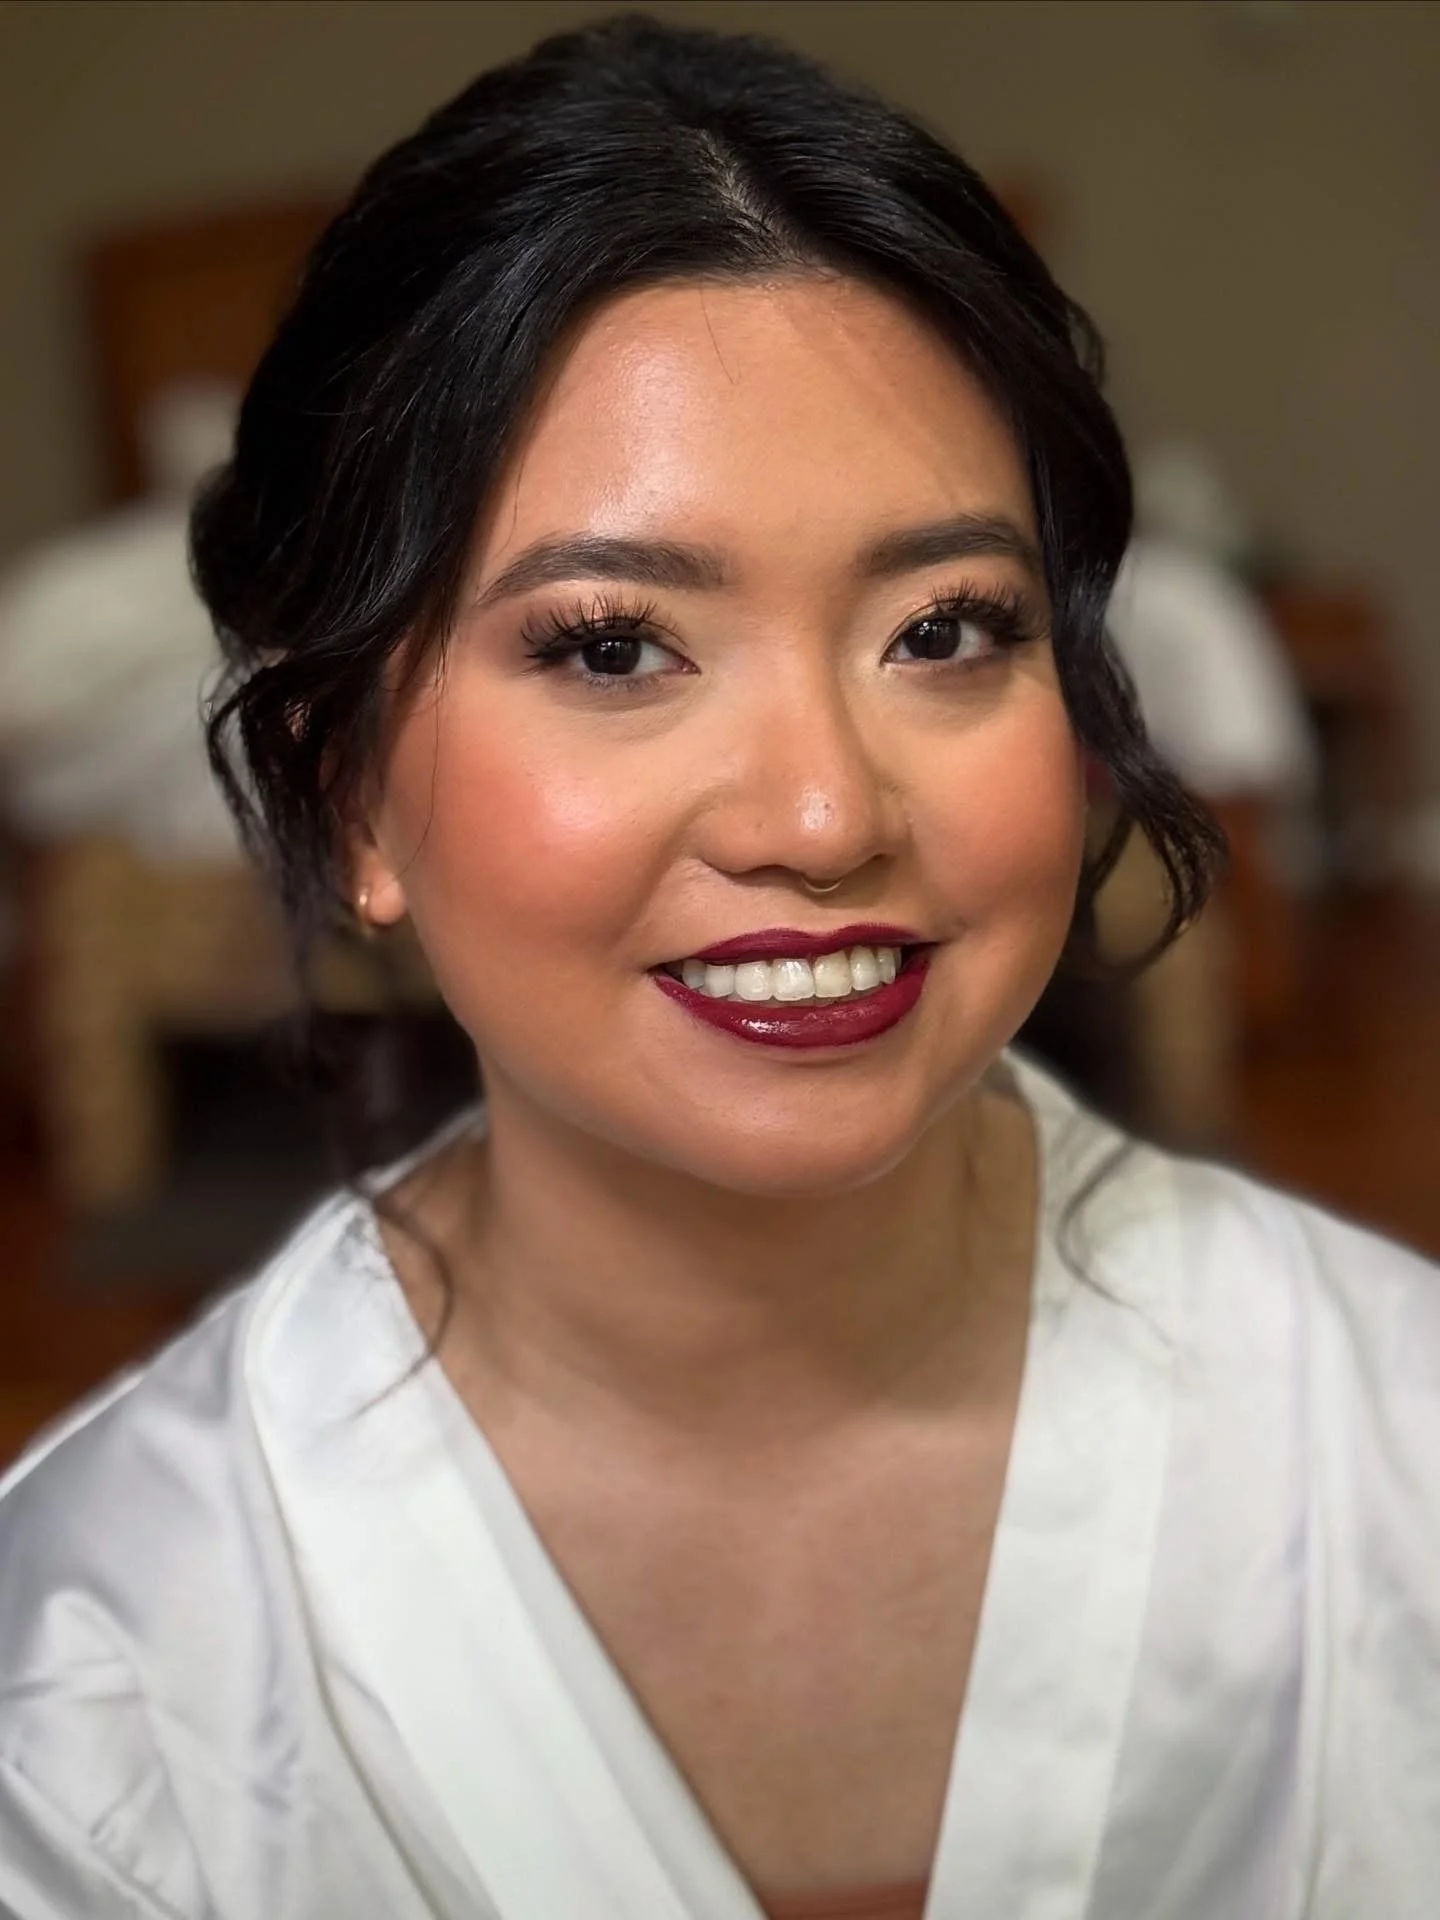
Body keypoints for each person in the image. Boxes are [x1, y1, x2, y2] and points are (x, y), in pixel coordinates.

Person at [1, 17, 1436, 1918]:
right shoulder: (94, 1673)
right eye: (612, 647)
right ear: (347, 793)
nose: (826, 812)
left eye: (945, 628)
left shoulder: (1396, 1456)